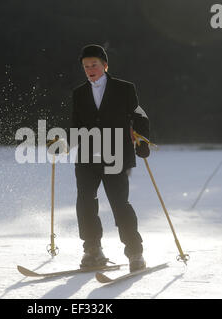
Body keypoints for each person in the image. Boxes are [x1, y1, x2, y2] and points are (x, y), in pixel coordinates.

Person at [69, 44, 151, 272]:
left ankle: (135, 252)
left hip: (116, 154)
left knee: (119, 203)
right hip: (87, 156)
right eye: (86, 66)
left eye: (94, 64)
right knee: (85, 202)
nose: (90, 69)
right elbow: (76, 125)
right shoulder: (79, 93)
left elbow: (139, 115)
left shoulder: (124, 88)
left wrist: (142, 140)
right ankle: (92, 250)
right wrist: (65, 144)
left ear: (105, 65)